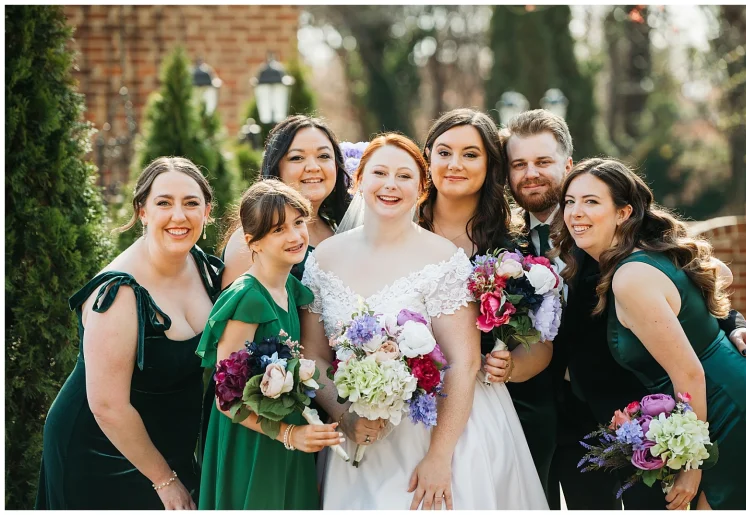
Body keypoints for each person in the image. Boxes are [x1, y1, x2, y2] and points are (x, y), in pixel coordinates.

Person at [502, 109, 746, 509]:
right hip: (568, 419)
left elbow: (696, 276)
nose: (530, 173)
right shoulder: (506, 243)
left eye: (542, 161)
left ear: (566, 165)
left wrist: (734, 325)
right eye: (519, 164)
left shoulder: (611, 221)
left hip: (650, 410)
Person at [300, 133, 548, 509]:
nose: (390, 184)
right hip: (363, 435)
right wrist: (344, 415)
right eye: (379, 173)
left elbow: (464, 362)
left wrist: (439, 456)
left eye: (404, 176)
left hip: (442, 429)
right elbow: (314, 355)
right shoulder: (323, 259)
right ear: (358, 180)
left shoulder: (442, 259)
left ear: (420, 189)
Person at [556, 157, 746, 509]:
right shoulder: (650, 252)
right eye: (570, 201)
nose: (576, 212)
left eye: (591, 201)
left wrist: (692, 466)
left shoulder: (630, 277)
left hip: (729, 411)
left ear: (623, 213)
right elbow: (722, 274)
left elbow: (689, 374)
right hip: (730, 395)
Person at [35, 157, 223, 509]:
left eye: (191, 203)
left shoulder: (203, 266)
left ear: (207, 212)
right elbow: (107, 406)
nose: (179, 216)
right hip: (101, 450)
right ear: (142, 211)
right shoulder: (118, 293)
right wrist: (165, 481)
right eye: (164, 203)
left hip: (170, 444)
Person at [418, 108, 557, 501]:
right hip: (407, 409)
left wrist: (513, 365)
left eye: (470, 154)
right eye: (444, 152)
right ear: (428, 158)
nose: (455, 164)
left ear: (489, 166)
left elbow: (542, 342)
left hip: (494, 414)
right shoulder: (398, 229)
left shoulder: (515, 251)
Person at [195, 179, 344, 509]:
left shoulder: (290, 288)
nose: (295, 236)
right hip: (252, 442)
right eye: (278, 230)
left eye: (299, 222)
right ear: (253, 242)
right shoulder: (247, 299)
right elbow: (225, 399)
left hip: (287, 435)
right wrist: (290, 434)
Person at [220, 115, 350, 288]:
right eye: (297, 158)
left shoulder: (341, 229)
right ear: (276, 167)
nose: (313, 167)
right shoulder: (252, 241)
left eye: (324, 156)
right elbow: (235, 303)